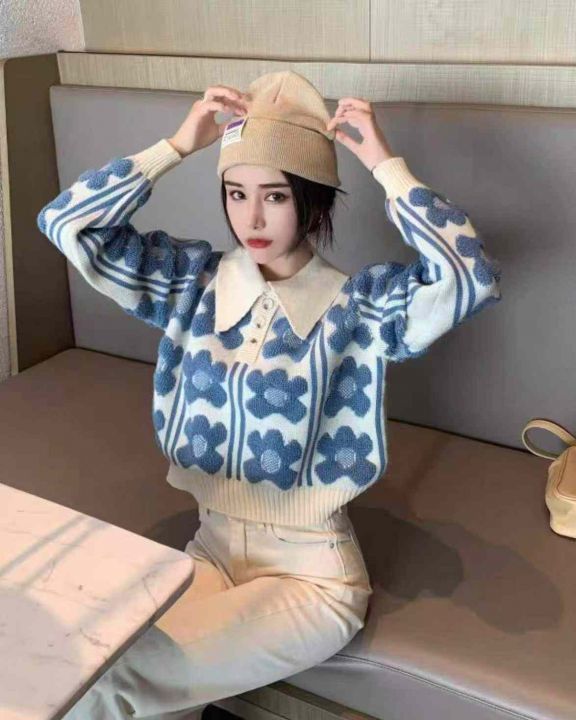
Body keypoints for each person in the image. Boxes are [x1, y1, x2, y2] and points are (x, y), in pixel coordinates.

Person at [37, 70, 502, 719]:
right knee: (99, 672)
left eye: (276, 196)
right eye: (236, 193)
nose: (250, 218)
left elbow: (468, 277)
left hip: (312, 579)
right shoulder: (191, 286)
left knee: (106, 680)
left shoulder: (360, 310)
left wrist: (384, 165)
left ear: (313, 202)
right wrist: (175, 147)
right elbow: (67, 223)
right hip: (209, 551)